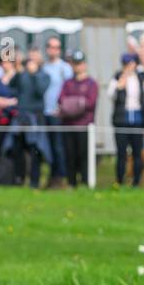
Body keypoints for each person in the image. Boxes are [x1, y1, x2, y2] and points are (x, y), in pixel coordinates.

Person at [7, 47, 51, 188]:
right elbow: (11, 85)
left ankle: (34, 181)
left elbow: (40, 91)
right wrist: (17, 69)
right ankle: (19, 179)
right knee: (18, 149)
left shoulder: (44, 75)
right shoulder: (22, 74)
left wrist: (34, 74)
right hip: (21, 117)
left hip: (35, 118)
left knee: (35, 150)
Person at [109, 52, 144, 187]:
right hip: (122, 119)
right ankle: (120, 181)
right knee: (121, 153)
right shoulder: (117, 77)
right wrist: (119, 85)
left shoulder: (139, 78)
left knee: (137, 153)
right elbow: (110, 95)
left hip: (137, 119)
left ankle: (136, 182)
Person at [58, 51, 97, 187]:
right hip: (68, 125)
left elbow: (90, 102)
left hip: (84, 126)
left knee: (84, 156)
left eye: (80, 63)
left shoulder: (91, 83)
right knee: (70, 156)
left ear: (84, 64)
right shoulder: (68, 83)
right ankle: (71, 183)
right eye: (75, 63)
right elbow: (61, 100)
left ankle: (86, 183)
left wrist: (71, 104)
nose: (78, 66)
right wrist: (79, 103)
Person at [41, 35, 73, 187]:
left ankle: (61, 177)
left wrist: (62, 108)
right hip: (44, 113)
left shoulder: (64, 68)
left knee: (59, 146)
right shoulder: (44, 67)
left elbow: (70, 89)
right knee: (47, 147)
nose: (53, 50)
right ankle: (51, 177)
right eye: (51, 47)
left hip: (58, 114)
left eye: (56, 47)